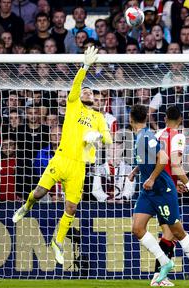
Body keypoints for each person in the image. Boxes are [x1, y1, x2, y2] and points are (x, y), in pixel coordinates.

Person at [12, 47, 113, 266]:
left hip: (79, 166)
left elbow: (108, 140)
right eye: (85, 91)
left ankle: (57, 242)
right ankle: (27, 206)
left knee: (71, 208)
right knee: (39, 193)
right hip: (61, 159)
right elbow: (76, 85)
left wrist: (98, 136)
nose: (87, 93)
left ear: (96, 99)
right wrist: (85, 67)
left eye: (91, 92)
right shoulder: (73, 104)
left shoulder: (98, 117)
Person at [128, 104, 189, 288]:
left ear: (130, 119)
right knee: (138, 229)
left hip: (163, 189)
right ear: (181, 120)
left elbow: (165, 160)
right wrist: (136, 171)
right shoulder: (152, 135)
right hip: (151, 188)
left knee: (175, 232)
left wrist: (188, 186)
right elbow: (154, 158)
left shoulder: (155, 135)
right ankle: (164, 265)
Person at [149, 106, 189, 286]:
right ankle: (158, 275)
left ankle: (159, 275)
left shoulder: (157, 134)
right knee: (171, 232)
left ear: (164, 118)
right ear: (180, 120)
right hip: (166, 189)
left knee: (167, 232)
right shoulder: (178, 136)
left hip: (157, 184)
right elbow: (176, 165)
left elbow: (154, 160)